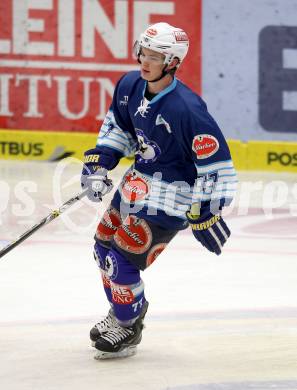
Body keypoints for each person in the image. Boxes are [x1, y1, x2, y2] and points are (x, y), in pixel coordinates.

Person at [81, 22, 237, 359]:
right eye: (143, 51)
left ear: (172, 62)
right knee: (102, 250)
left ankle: (127, 324)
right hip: (137, 184)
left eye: (155, 56)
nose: (144, 60)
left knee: (122, 261)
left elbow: (217, 166)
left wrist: (205, 212)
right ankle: (124, 312)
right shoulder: (129, 84)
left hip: (172, 197)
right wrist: (99, 164)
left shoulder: (187, 109)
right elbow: (119, 128)